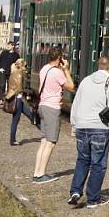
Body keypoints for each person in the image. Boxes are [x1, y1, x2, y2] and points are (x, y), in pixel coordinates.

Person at [67, 56, 109, 209]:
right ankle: (93, 199)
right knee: (98, 164)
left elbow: (76, 104)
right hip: (100, 128)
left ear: (98, 66)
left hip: (82, 126)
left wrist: (74, 126)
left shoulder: (85, 81)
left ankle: (75, 191)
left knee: (82, 160)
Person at [33, 46, 75, 184]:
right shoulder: (57, 72)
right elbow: (71, 86)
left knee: (44, 140)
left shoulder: (44, 68)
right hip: (52, 108)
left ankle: (37, 173)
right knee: (50, 142)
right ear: (59, 58)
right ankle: (41, 175)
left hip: (43, 106)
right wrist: (66, 70)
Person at [4, 58, 34, 146]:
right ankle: (12, 140)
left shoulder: (13, 73)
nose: (26, 67)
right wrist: (25, 92)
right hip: (18, 99)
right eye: (25, 66)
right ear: (21, 66)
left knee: (30, 114)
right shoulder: (19, 75)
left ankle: (43, 129)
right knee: (15, 120)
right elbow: (19, 88)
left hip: (16, 99)